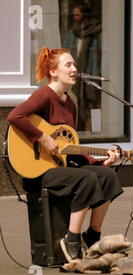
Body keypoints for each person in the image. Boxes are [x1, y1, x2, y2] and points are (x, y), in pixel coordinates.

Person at [7, 47, 123, 262]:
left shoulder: (70, 104)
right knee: (86, 178)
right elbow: (15, 116)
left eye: (74, 65)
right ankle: (71, 239)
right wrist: (43, 138)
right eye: (68, 65)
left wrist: (100, 161)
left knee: (107, 176)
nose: (74, 69)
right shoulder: (43, 96)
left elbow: (71, 149)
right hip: (39, 172)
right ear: (53, 71)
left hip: (61, 167)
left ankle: (92, 236)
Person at [63, 4, 101, 131]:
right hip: (75, 76)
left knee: (93, 106)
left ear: (85, 15)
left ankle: (95, 132)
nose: (75, 17)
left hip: (90, 75)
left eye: (77, 14)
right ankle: (78, 131)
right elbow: (65, 53)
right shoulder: (72, 33)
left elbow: (98, 58)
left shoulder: (95, 32)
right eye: (73, 15)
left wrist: (94, 80)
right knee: (75, 104)